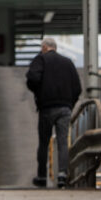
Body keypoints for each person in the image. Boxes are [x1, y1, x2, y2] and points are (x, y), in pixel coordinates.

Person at [25, 37, 83, 188]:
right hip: (65, 108)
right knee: (63, 141)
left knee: (44, 142)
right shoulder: (68, 62)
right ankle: (62, 175)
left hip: (47, 108)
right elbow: (77, 88)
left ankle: (42, 177)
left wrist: (39, 92)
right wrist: (70, 104)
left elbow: (32, 78)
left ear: (44, 47)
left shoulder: (41, 59)